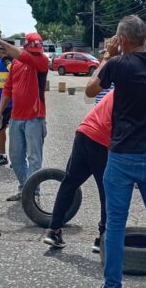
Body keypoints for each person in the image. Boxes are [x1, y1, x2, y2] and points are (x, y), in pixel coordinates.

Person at [86, 16, 146, 288]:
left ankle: (112, 284)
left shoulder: (117, 64)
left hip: (121, 156)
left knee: (116, 225)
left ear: (122, 40)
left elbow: (90, 90)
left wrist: (107, 56)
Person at [43, 89, 115, 253]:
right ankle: (103, 238)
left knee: (70, 183)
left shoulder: (119, 88)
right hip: (101, 140)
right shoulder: (136, 95)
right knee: (108, 190)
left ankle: (53, 231)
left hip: (84, 133)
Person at [0, 33, 49, 202]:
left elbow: (23, 56)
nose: (36, 53)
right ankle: (25, 188)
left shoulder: (42, 60)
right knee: (15, 157)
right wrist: (0, 112)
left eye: (37, 50)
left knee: (34, 158)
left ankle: (33, 193)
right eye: (32, 50)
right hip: (16, 117)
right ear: (26, 46)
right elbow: (8, 89)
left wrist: (0, 42)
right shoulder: (16, 63)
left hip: (35, 117)